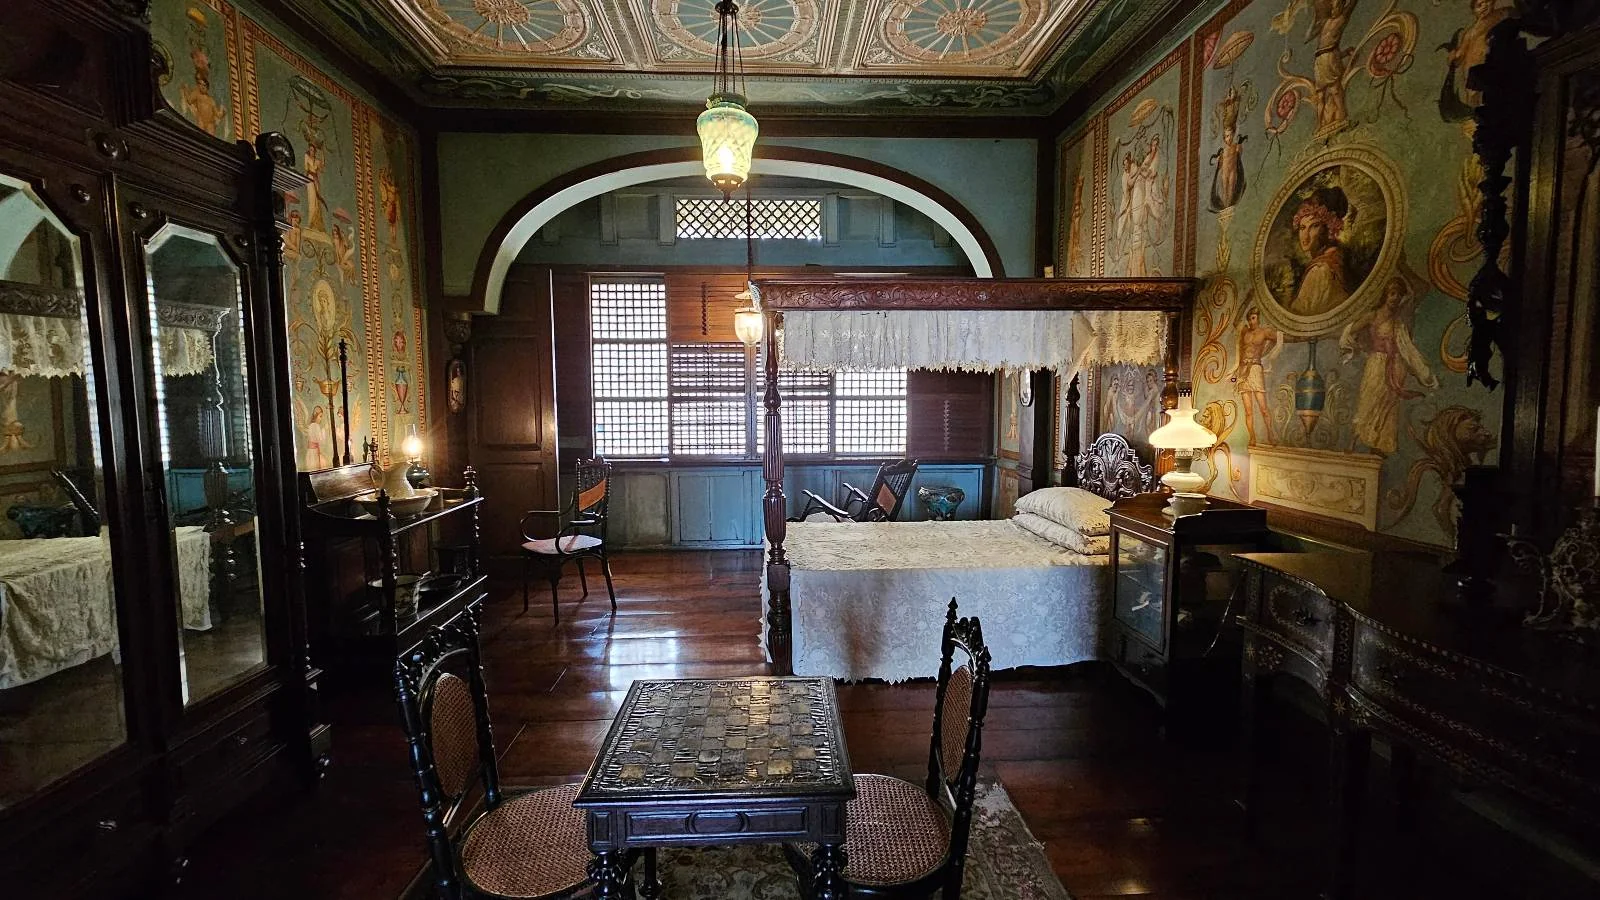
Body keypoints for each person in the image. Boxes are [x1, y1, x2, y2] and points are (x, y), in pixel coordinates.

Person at [1341, 276, 1439, 455]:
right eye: (1392, 293)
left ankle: (1377, 447)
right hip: (1376, 364)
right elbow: (1349, 332)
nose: (1395, 298)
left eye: (1399, 295)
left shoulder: (1398, 322)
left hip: (1396, 366)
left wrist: (1423, 373)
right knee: (1369, 401)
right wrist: (1355, 348)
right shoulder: (1373, 316)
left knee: (1388, 406)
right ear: (1385, 295)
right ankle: (1353, 442)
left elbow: (1407, 348)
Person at [1286, 186, 1351, 317]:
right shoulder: (1336, 258)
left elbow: (1301, 317)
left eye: (1314, 226)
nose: (1305, 235)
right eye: (1302, 227)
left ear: (1329, 228)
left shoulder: (1320, 270)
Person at [1231, 306, 1282, 445]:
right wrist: (1247, 299)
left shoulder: (1264, 332)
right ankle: (1252, 437)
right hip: (1243, 370)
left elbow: (1279, 338)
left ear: (1258, 318)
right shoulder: (1245, 331)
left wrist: (1271, 355)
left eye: (1254, 318)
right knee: (1248, 411)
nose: (1252, 321)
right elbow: (1235, 322)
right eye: (1250, 318)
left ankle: (1270, 434)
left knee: (1263, 408)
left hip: (1255, 369)